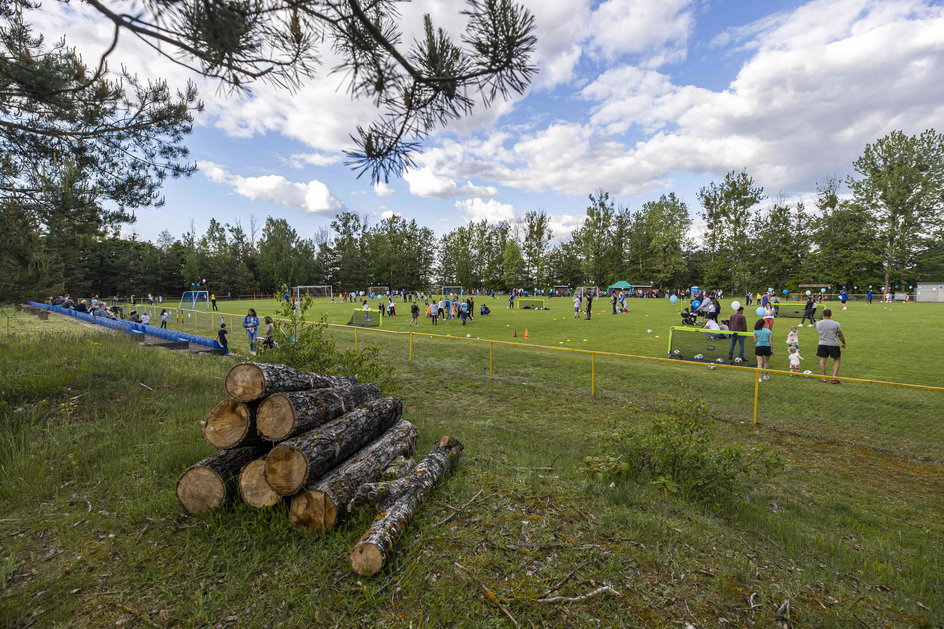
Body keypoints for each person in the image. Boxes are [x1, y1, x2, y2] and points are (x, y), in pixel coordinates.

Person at [815, 309, 846, 383]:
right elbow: (840, 335)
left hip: (822, 343)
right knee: (837, 359)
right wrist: (844, 343)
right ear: (830, 315)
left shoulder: (818, 323)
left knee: (822, 360)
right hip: (833, 344)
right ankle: (833, 378)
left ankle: (824, 379)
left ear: (823, 314)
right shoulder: (836, 324)